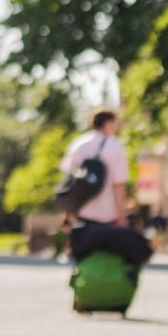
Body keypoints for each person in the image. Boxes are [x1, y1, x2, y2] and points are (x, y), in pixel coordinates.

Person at [61, 110, 149, 269]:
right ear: (108, 123)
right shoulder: (114, 147)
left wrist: (67, 214)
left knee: (84, 261)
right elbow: (119, 185)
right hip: (109, 216)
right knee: (112, 260)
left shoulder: (78, 145)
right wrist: (122, 216)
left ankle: (85, 288)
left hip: (82, 216)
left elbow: (68, 183)